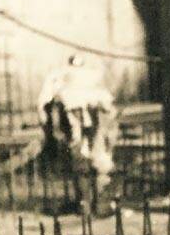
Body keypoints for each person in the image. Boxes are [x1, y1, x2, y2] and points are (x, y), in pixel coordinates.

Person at [38, 54, 117, 208]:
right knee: (88, 161)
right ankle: (91, 202)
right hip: (81, 128)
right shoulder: (67, 80)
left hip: (89, 127)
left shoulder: (71, 81)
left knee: (89, 161)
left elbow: (45, 109)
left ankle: (92, 201)